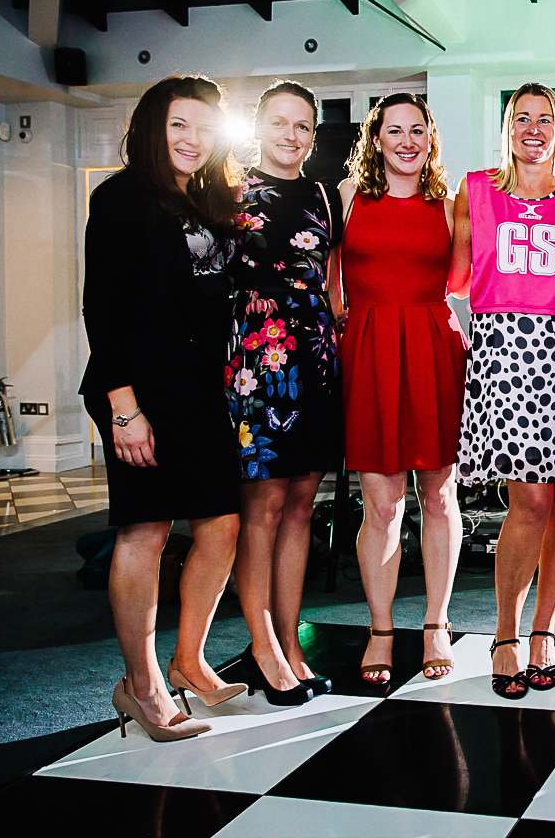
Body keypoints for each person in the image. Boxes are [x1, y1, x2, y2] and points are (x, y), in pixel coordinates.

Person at [80, 76, 247, 741]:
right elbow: (103, 306)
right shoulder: (119, 198)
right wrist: (124, 407)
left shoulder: (209, 200)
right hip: (137, 389)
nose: (192, 139)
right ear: (155, 128)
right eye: (180, 125)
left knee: (222, 525)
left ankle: (188, 659)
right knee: (145, 531)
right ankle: (141, 685)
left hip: (198, 387)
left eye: (205, 127)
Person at [452, 84, 555, 700]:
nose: (532, 128)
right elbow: (453, 276)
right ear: (507, 126)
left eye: (545, 119)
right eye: (521, 118)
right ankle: (506, 632)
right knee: (530, 500)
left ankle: (546, 630)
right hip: (506, 347)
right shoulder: (476, 188)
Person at [331, 92, 468, 685]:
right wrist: (345, 327)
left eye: (418, 130)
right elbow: (326, 276)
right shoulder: (345, 197)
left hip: (435, 348)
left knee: (439, 498)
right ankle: (381, 628)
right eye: (396, 131)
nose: (407, 141)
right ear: (377, 138)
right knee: (382, 505)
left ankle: (436, 621)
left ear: (430, 139)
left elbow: (471, 276)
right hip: (369, 351)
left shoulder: (450, 204)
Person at [226, 81, 340, 707]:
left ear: (313, 134)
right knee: (262, 508)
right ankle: (263, 646)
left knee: (301, 503)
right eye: (281, 123)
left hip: (316, 359)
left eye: (303, 126)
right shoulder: (230, 192)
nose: (292, 135)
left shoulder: (325, 195)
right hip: (256, 361)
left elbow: (332, 283)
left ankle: (291, 644)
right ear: (258, 125)